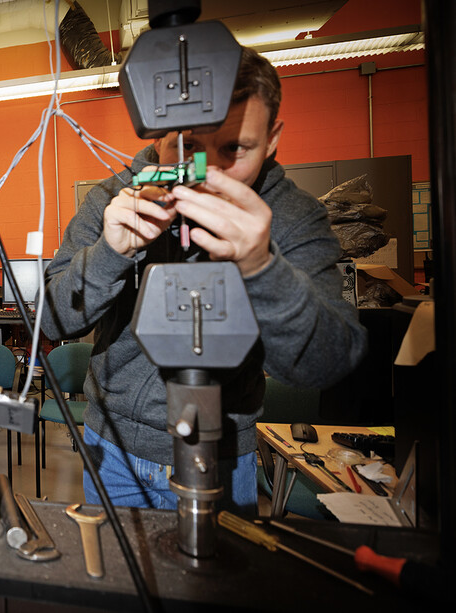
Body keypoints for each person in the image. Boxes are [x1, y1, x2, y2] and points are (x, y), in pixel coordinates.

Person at [41, 47, 368, 512]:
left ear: (272, 139)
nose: (207, 174)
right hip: (112, 449)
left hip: (223, 455)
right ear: (158, 131)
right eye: (188, 146)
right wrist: (109, 255)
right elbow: (51, 322)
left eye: (234, 149)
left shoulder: (291, 216)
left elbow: (327, 363)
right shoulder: (112, 200)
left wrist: (260, 266)